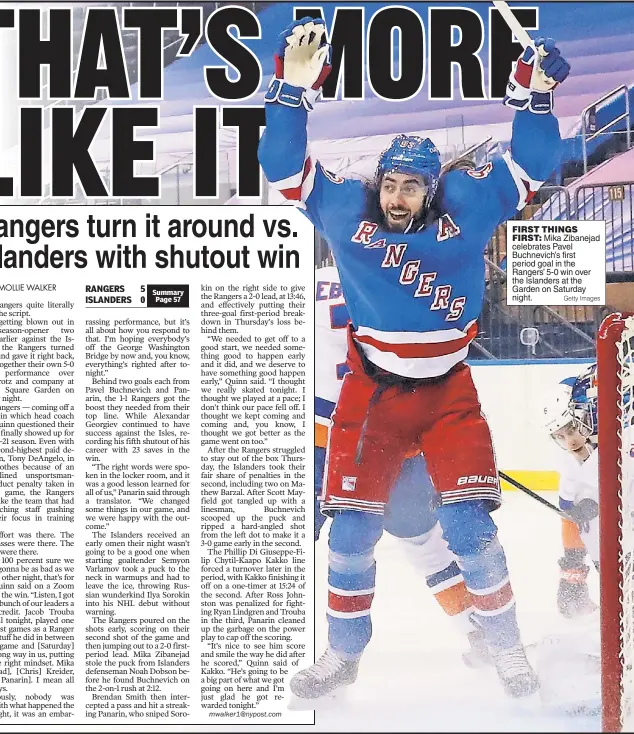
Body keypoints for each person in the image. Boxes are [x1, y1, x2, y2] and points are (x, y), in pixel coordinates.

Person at [259, 17, 570, 700]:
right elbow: (282, 168)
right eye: (391, 183)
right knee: (349, 536)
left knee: (468, 528)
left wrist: (535, 95)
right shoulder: (348, 210)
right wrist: (289, 92)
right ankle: (343, 657)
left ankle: (508, 650)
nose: (397, 197)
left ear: (434, 189)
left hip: (446, 394)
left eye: (411, 187)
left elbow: (534, 163)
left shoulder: (472, 200)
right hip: (371, 396)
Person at [315, 264, 490, 668]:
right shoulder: (408, 274)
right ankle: (476, 631)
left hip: (322, 433)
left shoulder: (311, 281)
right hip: (383, 431)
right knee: (422, 540)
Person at [542, 364, 599, 619]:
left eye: (571, 430)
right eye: (561, 435)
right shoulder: (572, 458)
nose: (570, 441)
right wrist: (572, 570)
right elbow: (568, 508)